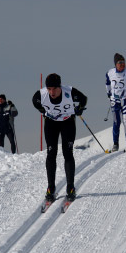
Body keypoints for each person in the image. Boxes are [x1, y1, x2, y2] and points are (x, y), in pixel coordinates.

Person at [32, 73, 87, 202]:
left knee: (68, 153)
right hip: (51, 123)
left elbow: (83, 98)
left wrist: (79, 108)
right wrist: (43, 111)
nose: (52, 92)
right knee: (51, 153)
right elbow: (35, 102)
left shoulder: (70, 92)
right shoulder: (41, 95)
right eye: (49, 89)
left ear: (60, 87)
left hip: (67, 122)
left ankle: (70, 188)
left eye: (55, 89)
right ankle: (51, 188)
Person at [106, 53, 126, 152]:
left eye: (123, 62)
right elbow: (107, 83)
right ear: (115, 64)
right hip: (115, 100)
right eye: (120, 63)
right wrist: (108, 93)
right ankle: (115, 144)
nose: (122, 65)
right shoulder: (110, 73)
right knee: (116, 121)